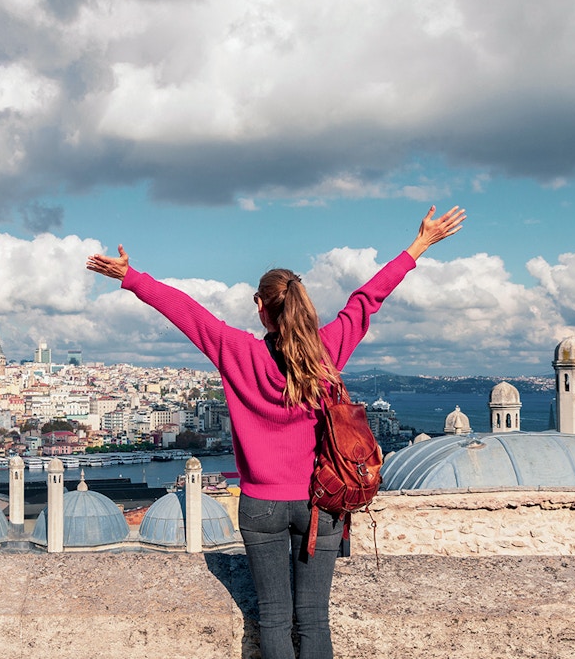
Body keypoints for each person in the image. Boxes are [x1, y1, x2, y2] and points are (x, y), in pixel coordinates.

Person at [86, 205, 465, 659]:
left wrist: (132, 278)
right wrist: (419, 244)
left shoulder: (237, 351)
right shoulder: (327, 350)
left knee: (273, 618)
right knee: (314, 618)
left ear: (261, 308)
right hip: (319, 502)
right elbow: (366, 300)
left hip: (261, 505)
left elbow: (186, 312)